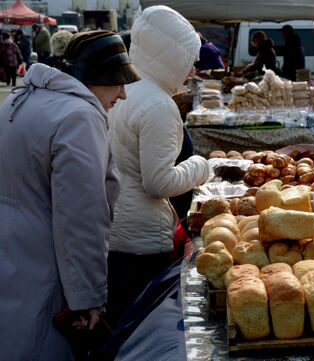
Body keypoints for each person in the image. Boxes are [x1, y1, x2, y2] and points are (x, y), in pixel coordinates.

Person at [0, 30, 140, 360]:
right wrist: (89, 296)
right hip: (46, 264)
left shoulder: (21, 99)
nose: (122, 95)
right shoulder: (79, 115)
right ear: (96, 76)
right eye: (118, 82)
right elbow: (82, 216)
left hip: (13, 255)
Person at [106, 5, 210, 328]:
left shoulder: (127, 90)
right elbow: (158, 182)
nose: (192, 71)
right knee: (140, 328)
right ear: (172, 58)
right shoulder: (159, 105)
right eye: (190, 62)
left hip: (116, 228)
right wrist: (201, 166)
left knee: (121, 324)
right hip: (143, 240)